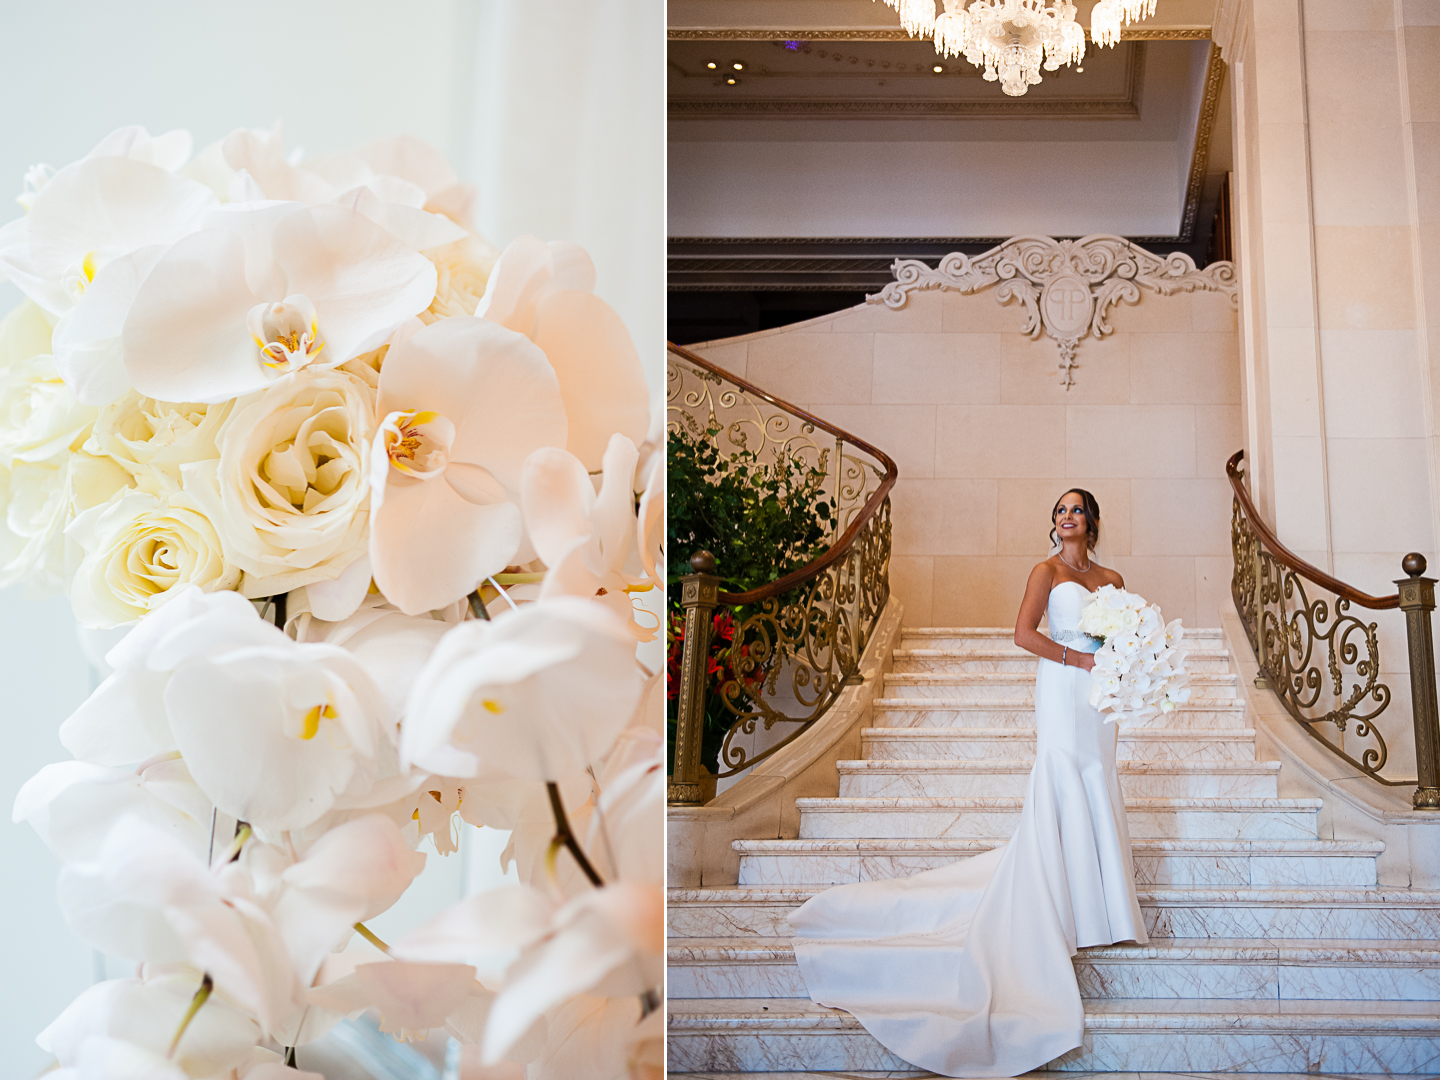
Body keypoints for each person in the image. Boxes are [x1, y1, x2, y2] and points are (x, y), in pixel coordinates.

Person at [787, 488, 1148, 1077]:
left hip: (1099, 697)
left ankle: (1104, 909)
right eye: (1058, 511)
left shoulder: (1112, 576)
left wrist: (1122, 660)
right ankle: (1066, 904)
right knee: (1062, 775)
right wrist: (1078, 660)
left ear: (1093, 520)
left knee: (1098, 778)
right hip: (1062, 687)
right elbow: (1023, 634)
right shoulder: (1046, 570)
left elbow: (1126, 637)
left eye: (1076, 510)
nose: (1066, 518)